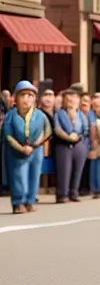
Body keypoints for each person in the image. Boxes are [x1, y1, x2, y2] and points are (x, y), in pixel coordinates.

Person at [3, 81, 51, 213]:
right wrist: (21, 148)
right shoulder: (11, 116)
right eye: (23, 95)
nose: (26, 99)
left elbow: (47, 131)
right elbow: (8, 136)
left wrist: (36, 144)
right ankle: (18, 202)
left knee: (34, 176)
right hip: (17, 153)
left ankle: (30, 200)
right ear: (15, 98)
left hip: (36, 151)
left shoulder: (40, 115)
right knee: (19, 177)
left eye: (30, 95)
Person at [53, 87, 89, 203]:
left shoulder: (81, 115)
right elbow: (57, 128)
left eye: (74, 99)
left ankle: (74, 192)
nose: (71, 101)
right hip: (64, 145)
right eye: (68, 99)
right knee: (64, 170)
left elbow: (85, 129)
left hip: (79, 143)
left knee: (78, 170)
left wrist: (79, 137)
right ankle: (62, 194)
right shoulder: (59, 113)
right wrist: (67, 137)